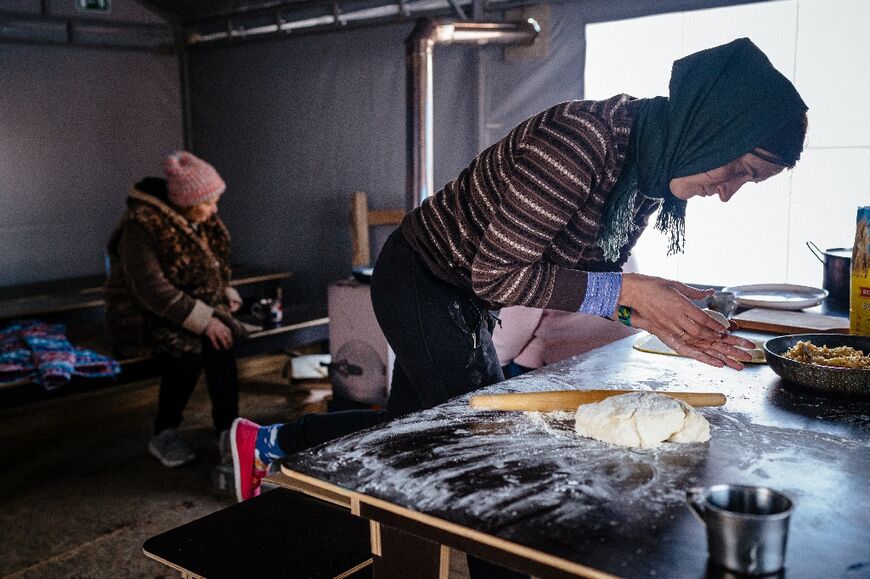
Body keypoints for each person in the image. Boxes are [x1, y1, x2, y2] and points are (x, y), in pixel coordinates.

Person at [231, 37, 807, 517]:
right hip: (425, 277)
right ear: (711, 128)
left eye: (748, 182)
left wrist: (656, 313)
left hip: (466, 289)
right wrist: (631, 292)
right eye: (738, 169)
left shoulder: (646, 175)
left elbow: (593, 274)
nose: (727, 192)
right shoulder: (581, 143)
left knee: (411, 429)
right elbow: (498, 274)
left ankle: (271, 441)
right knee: (490, 453)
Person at [105, 151, 247, 468]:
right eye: (209, 202)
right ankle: (163, 433)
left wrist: (225, 293)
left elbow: (212, 268)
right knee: (187, 351)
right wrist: (206, 320)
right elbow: (151, 290)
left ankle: (228, 432)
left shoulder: (199, 218)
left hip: (189, 307)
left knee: (221, 342)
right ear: (187, 201)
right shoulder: (140, 227)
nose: (215, 209)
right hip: (143, 314)